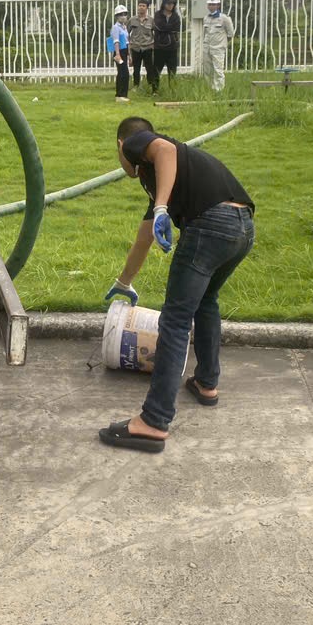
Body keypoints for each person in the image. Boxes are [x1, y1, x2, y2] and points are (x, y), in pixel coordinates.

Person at [100, 115, 255, 453]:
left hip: (211, 224)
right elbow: (144, 238)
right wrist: (123, 282)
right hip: (242, 228)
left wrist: (160, 209)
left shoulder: (138, 142)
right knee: (206, 302)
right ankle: (206, 383)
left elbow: (165, 149)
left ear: (120, 146)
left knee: (175, 321)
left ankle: (153, 422)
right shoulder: (159, 180)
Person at [201, 0, 234, 92]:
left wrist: (221, 44)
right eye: (210, 4)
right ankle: (208, 89)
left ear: (218, 5)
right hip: (207, 48)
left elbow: (230, 34)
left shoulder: (224, 18)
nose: (211, 6)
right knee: (207, 70)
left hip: (218, 49)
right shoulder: (206, 18)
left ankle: (218, 91)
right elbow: (205, 33)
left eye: (214, 4)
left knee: (218, 71)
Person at [127, 0, 158, 93]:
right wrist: (130, 46)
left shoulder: (151, 20)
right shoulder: (132, 20)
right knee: (136, 69)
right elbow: (126, 33)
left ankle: (151, 87)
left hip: (148, 47)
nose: (141, 7)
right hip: (136, 48)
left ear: (147, 8)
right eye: (140, 5)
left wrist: (154, 45)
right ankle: (136, 86)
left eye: (143, 6)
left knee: (150, 69)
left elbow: (156, 33)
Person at [153, 0, 182, 83]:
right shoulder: (158, 14)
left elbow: (177, 28)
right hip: (159, 47)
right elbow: (159, 26)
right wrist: (169, 28)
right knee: (156, 71)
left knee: (172, 71)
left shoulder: (176, 16)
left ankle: (172, 90)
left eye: (173, 3)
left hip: (172, 48)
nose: (171, 5)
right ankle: (155, 91)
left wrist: (166, 28)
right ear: (164, 4)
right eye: (168, 3)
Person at [108, 5, 130, 102]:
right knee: (123, 73)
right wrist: (117, 54)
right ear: (116, 16)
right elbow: (116, 41)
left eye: (124, 14)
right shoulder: (116, 27)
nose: (123, 16)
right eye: (120, 15)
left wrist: (130, 56)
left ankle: (122, 95)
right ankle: (120, 95)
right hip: (119, 52)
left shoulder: (124, 27)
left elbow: (127, 42)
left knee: (123, 73)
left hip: (124, 52)